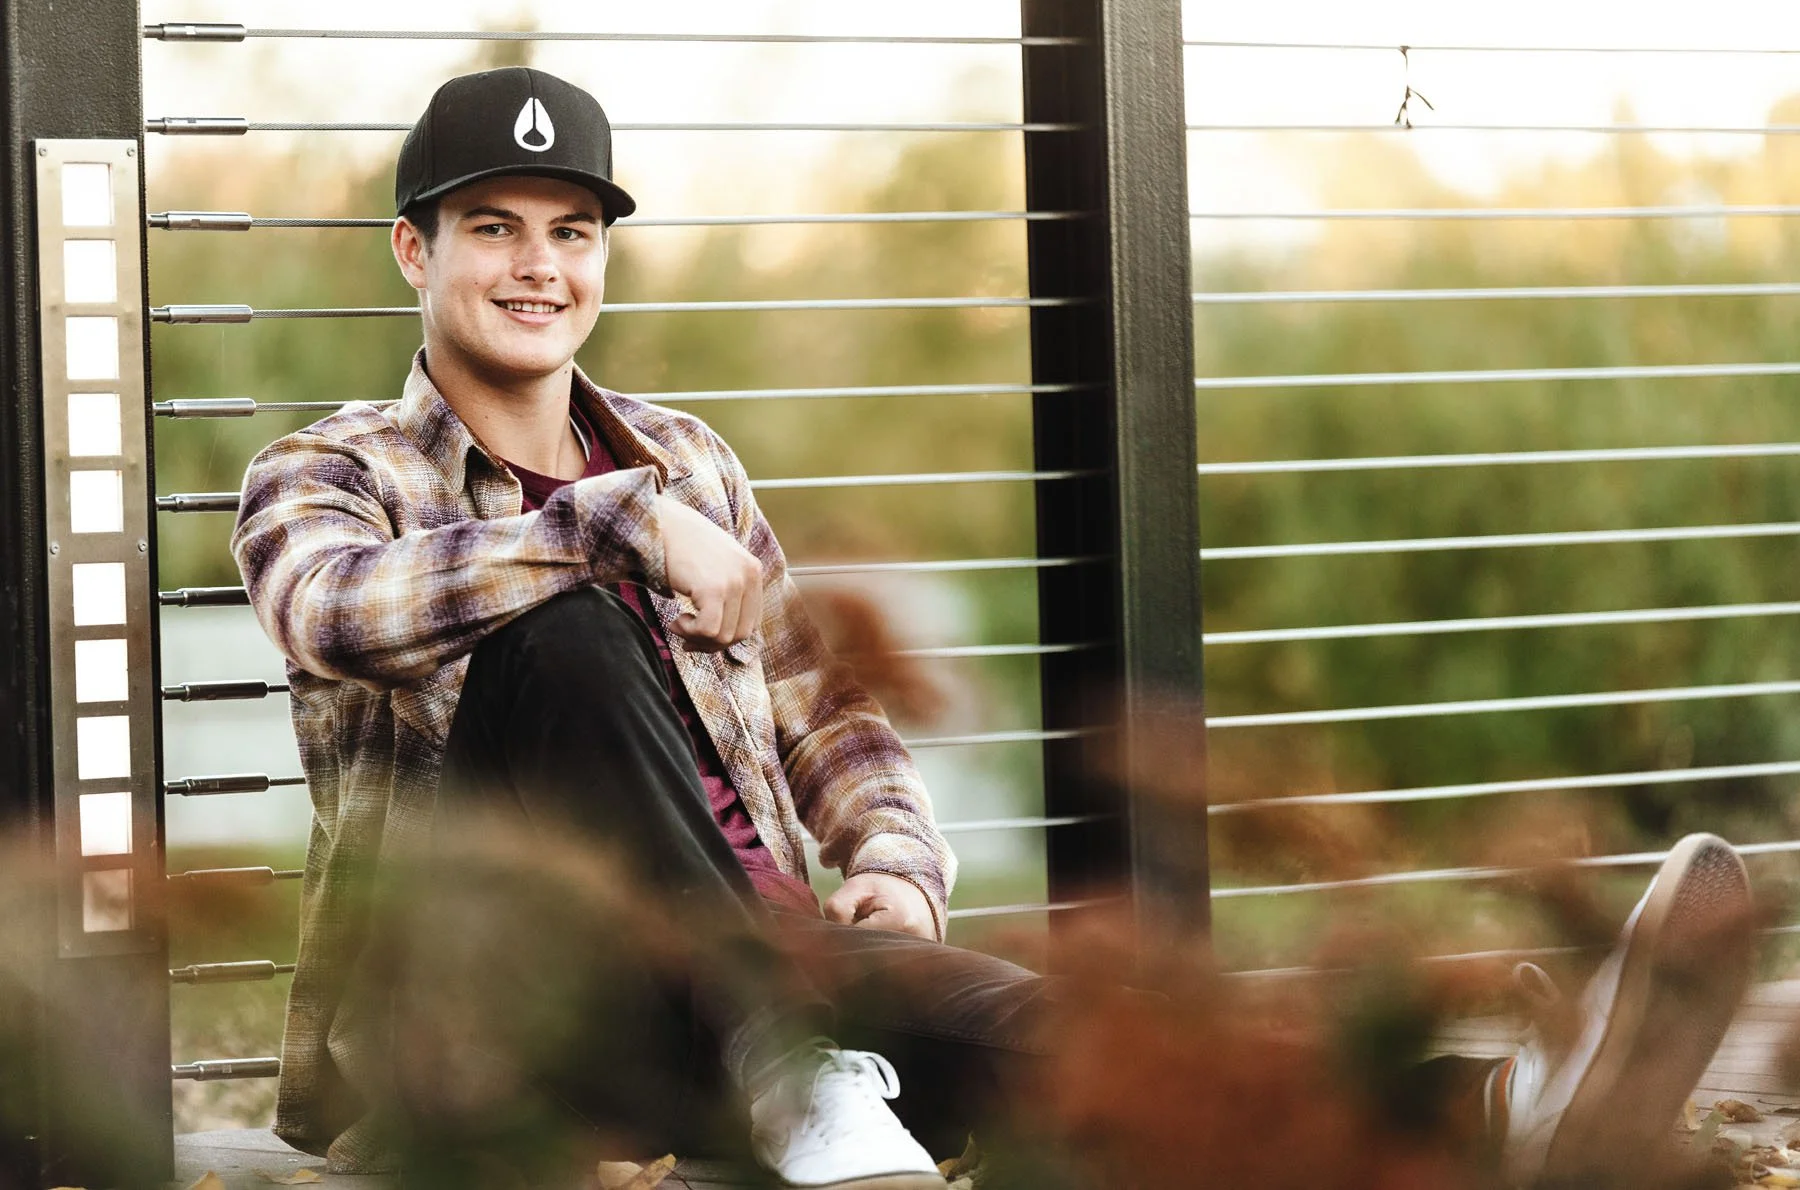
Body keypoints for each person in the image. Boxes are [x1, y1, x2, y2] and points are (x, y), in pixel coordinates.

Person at [232, 67, 1756, 1190]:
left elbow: (827, 711)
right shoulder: (331, 471)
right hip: (506, 1017)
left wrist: (897, 861)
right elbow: (326, 608)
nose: (538, 267)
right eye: (493, 228)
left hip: (760, 998)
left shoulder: (692, 459)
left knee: (1051, 1027)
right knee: (555, 635)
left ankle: (1500, 1111)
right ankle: (787, 1042)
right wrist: (605, 524)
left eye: (572, 232)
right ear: (415, 252)